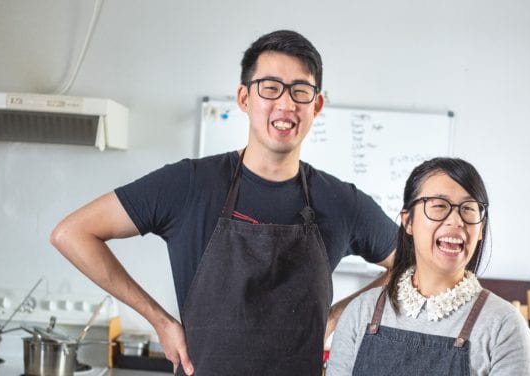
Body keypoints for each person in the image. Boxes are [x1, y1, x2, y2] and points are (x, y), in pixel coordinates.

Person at [50, 30, 398, 376]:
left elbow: (412, 263)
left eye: (301, 91)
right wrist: (160, 320)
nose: (286, 104)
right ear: (244, 98)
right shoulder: (189, 185)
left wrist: (339, 315)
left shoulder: (340, 202)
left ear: (316, 106)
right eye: (270, 87)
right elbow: (72, 233)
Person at [326, 157, 530, 376]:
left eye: (468, 209)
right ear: (408, 222)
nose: (456, 221)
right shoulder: (361, 313)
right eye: (439, 206)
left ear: (481, 228)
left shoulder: (505, 326)